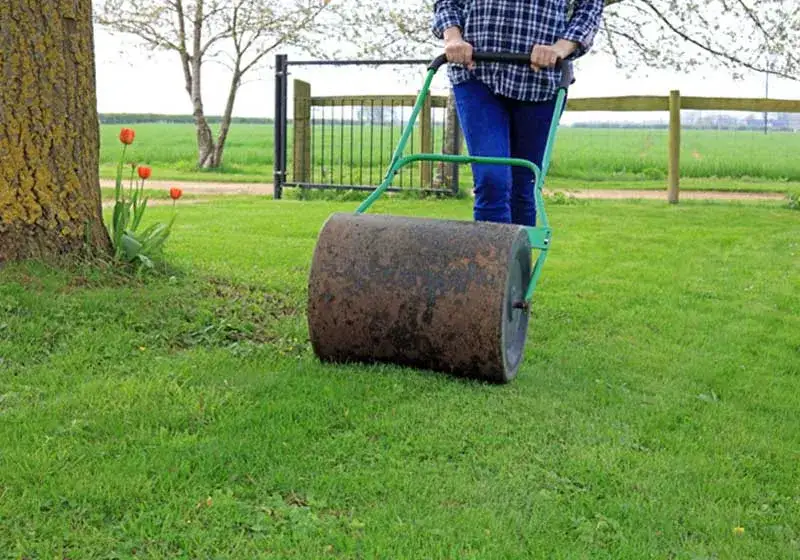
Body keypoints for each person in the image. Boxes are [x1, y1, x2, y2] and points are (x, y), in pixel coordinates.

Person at [432, 0, 604, 226]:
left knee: (523, 185)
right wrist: (453, 38)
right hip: (476, 73)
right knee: (491, 179)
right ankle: (492, 249)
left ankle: (520, 250)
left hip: (541, 82)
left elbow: (589, 9)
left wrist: (560, 48)